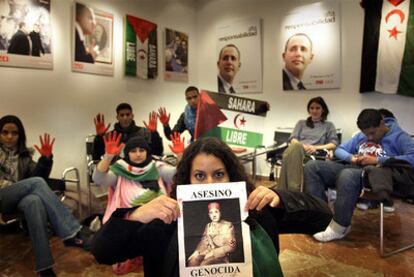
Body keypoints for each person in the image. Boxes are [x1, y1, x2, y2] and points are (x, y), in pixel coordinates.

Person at [91, 137, 332, 276]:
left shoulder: (254, 212)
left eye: (218, 174)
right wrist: (135, 215)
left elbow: (322, 217)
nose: (209, 183)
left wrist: (280, 198)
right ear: (187, 179)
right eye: (199, 175)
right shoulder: (166, 222)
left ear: (231, 176)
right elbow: (103, 252)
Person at [0, 115, 91, 277]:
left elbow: (38, 176)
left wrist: (45, 160)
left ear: (19, 135)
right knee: (35, 184)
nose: (9, 136)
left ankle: (45, 267)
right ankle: (72, 232)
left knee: (34, 201)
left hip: (18, 198)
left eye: (14, 133)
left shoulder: (24, 156)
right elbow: (33, 183)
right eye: (5, 132)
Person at [304, 109, 414, 242]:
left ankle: (340, 226)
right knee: (312, 166)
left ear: (382, 123)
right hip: (355, 168)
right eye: (366, 134)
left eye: (372, 133)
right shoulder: (361, 136)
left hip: (377, 175)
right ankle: (320, 219)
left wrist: (377, 160)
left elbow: (412, 157)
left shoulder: (400, 136)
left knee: (347, 174)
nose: (370, 138)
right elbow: (339, 150)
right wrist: (352, 158)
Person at [92, 132, 176, 274]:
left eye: (142, 150)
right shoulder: (120, 169)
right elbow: (99, 179)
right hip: (132, 223)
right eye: (133, 151)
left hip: (159, 222)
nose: (138, 154)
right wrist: (108, 156)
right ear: (127, 153)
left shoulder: (156, 167)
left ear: (147, 152)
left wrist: (180, 155)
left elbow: (176, 175)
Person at [278, 96, 338, 191]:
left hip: (315, 153)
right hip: (298, 149)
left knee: (289, 155)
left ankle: (290, 190)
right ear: (308, 110)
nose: (314, 111)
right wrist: (302, 146)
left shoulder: (328, 125)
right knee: (293, 149)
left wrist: (315, 147)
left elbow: (333, 143)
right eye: (312, 108)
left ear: (323, 110)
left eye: (317, 108)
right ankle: (288, 190)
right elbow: (293, 138)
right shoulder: (301, 123)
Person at [92, 103, 164, 160]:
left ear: (132, 116)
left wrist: (154, 134)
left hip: (140, 171)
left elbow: (157, 153)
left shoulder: (144, 132)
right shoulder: (110, 136)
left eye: (127, 114)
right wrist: (99, 137)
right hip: (116, 170)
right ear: (117, 117)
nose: (125, 118)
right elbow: (97, 157)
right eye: (122, 115)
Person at [187, 201, 236, 266]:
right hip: (207, 253)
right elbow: (203, 242)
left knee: (204, 264)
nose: (214, 215)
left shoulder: (227, 225)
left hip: (220, 257)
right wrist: (196, 252)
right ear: (209, 215)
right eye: (211, 213)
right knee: (192, 261)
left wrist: (213, 253)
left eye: (216, 212)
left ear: (220, 213)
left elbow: (231, 247)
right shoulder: (208, 226)